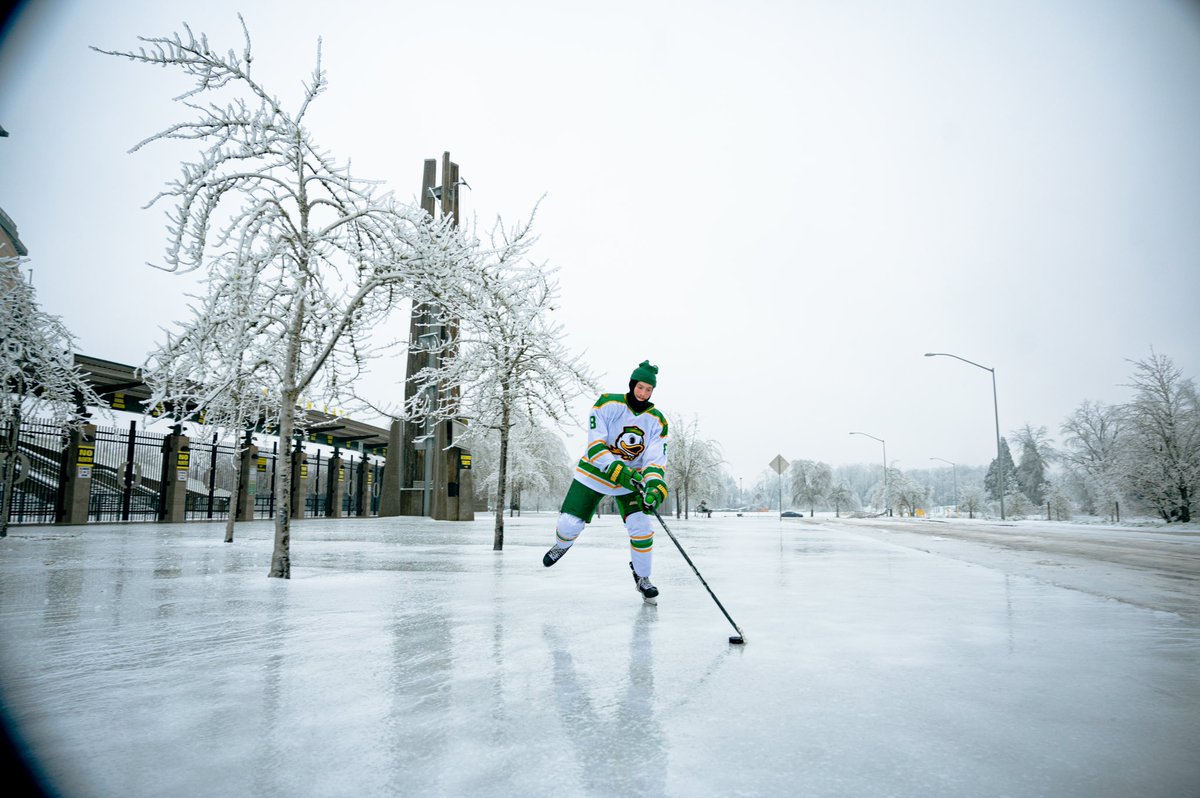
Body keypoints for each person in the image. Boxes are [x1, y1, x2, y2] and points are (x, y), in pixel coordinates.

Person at [542, 360, 670, 601]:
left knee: (642, 528)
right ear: (632, 385)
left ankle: (643, 578)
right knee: (569, 524)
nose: (643, 393)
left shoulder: (657, 420)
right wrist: (615, 467)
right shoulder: (608, 404)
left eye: (648, 389)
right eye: (640, 387)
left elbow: (655, 460)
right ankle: (562, 544)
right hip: (595, 472)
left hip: (631, 480)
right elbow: (595, 445)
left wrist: (654, 484)